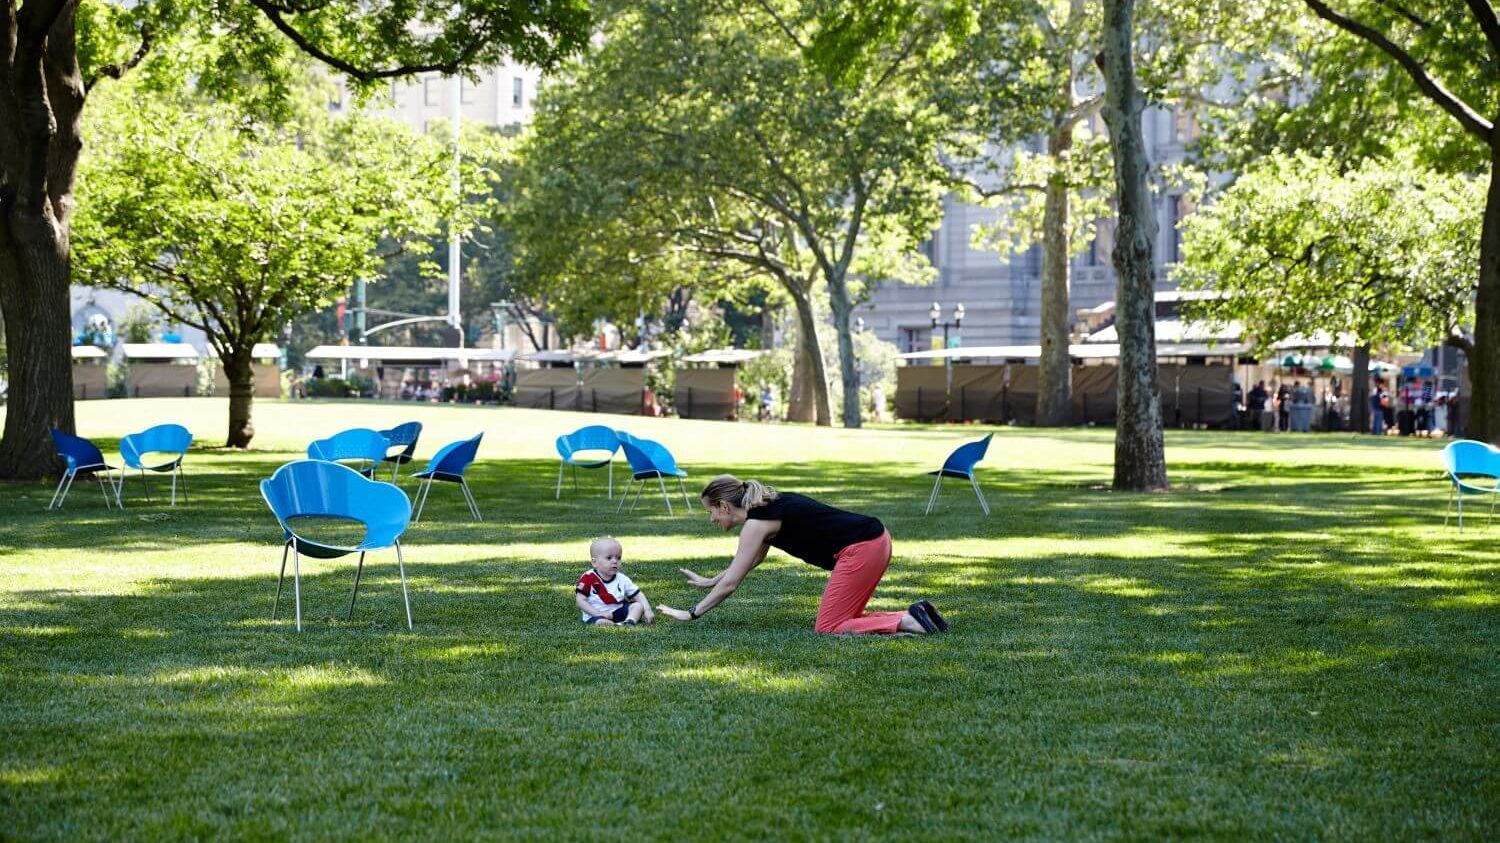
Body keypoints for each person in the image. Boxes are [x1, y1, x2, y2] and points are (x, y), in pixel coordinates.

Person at [657, 476, 948, 635]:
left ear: (723, 506)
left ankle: (908, 622)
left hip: (861, 548)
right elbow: (747, 563)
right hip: (875, 540)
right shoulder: (764, 511)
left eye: (710, 512)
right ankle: (916, 615)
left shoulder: (757, 523)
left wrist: (692, 613)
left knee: (829, 627)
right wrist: (711, 580)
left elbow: (732, 583)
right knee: (845, 619)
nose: (711, 520)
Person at [575, 536, 654, 626]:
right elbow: (580, 601)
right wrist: (597, 613)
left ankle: (629, 621)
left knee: (637, 606)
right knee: (599, 622)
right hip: (596, 615)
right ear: (594, 562)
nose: (615, 561)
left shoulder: (622, 578)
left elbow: (637, 594)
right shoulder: (588, 578)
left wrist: (647, 609)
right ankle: (611, 625)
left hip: (618, 611)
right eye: (609, 558)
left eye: (618, 558)